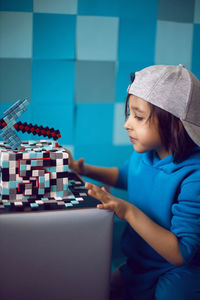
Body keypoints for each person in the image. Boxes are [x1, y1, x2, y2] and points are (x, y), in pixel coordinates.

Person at [66, 64, 200, 300]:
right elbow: (125, 176)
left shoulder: (194, 175)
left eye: (138, 117)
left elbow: (182, 252)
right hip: (139, 263)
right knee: (98, 287)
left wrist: (127, 210)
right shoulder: (145, 153)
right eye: (129, 114)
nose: (128, 123)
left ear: (175, 124)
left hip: (176, 271)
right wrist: (83, 169)